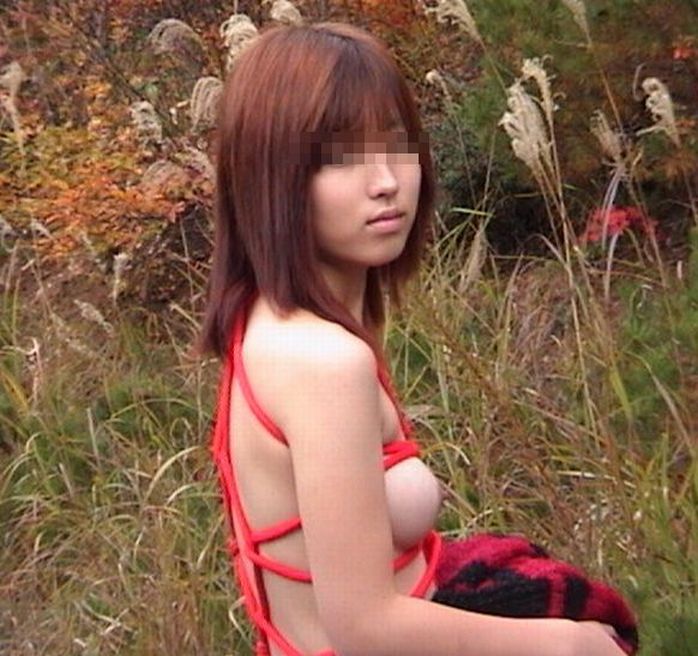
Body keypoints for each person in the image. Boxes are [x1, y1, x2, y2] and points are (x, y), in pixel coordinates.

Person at [199, 21, 630, 656]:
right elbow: (364, 628)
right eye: (340, 158)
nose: (385, 181)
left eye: (397, 145)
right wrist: (569, 644)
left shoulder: (271, 322)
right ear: (272, 176)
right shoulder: (323, 362)